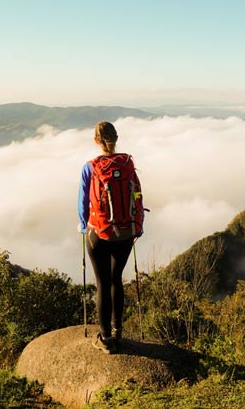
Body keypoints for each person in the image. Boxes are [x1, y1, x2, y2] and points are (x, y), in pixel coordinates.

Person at [78, 121, 142, 354]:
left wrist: (84, 227)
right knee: (116, 279)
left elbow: (82, 204)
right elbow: (137, 194)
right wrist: (137, 227)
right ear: (116, 139)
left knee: (102, 283)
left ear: (96, 141)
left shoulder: (91, 167)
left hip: (100, 232)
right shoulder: (128, 165)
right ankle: (118, 332)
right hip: (126, 231)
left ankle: (105, 338)